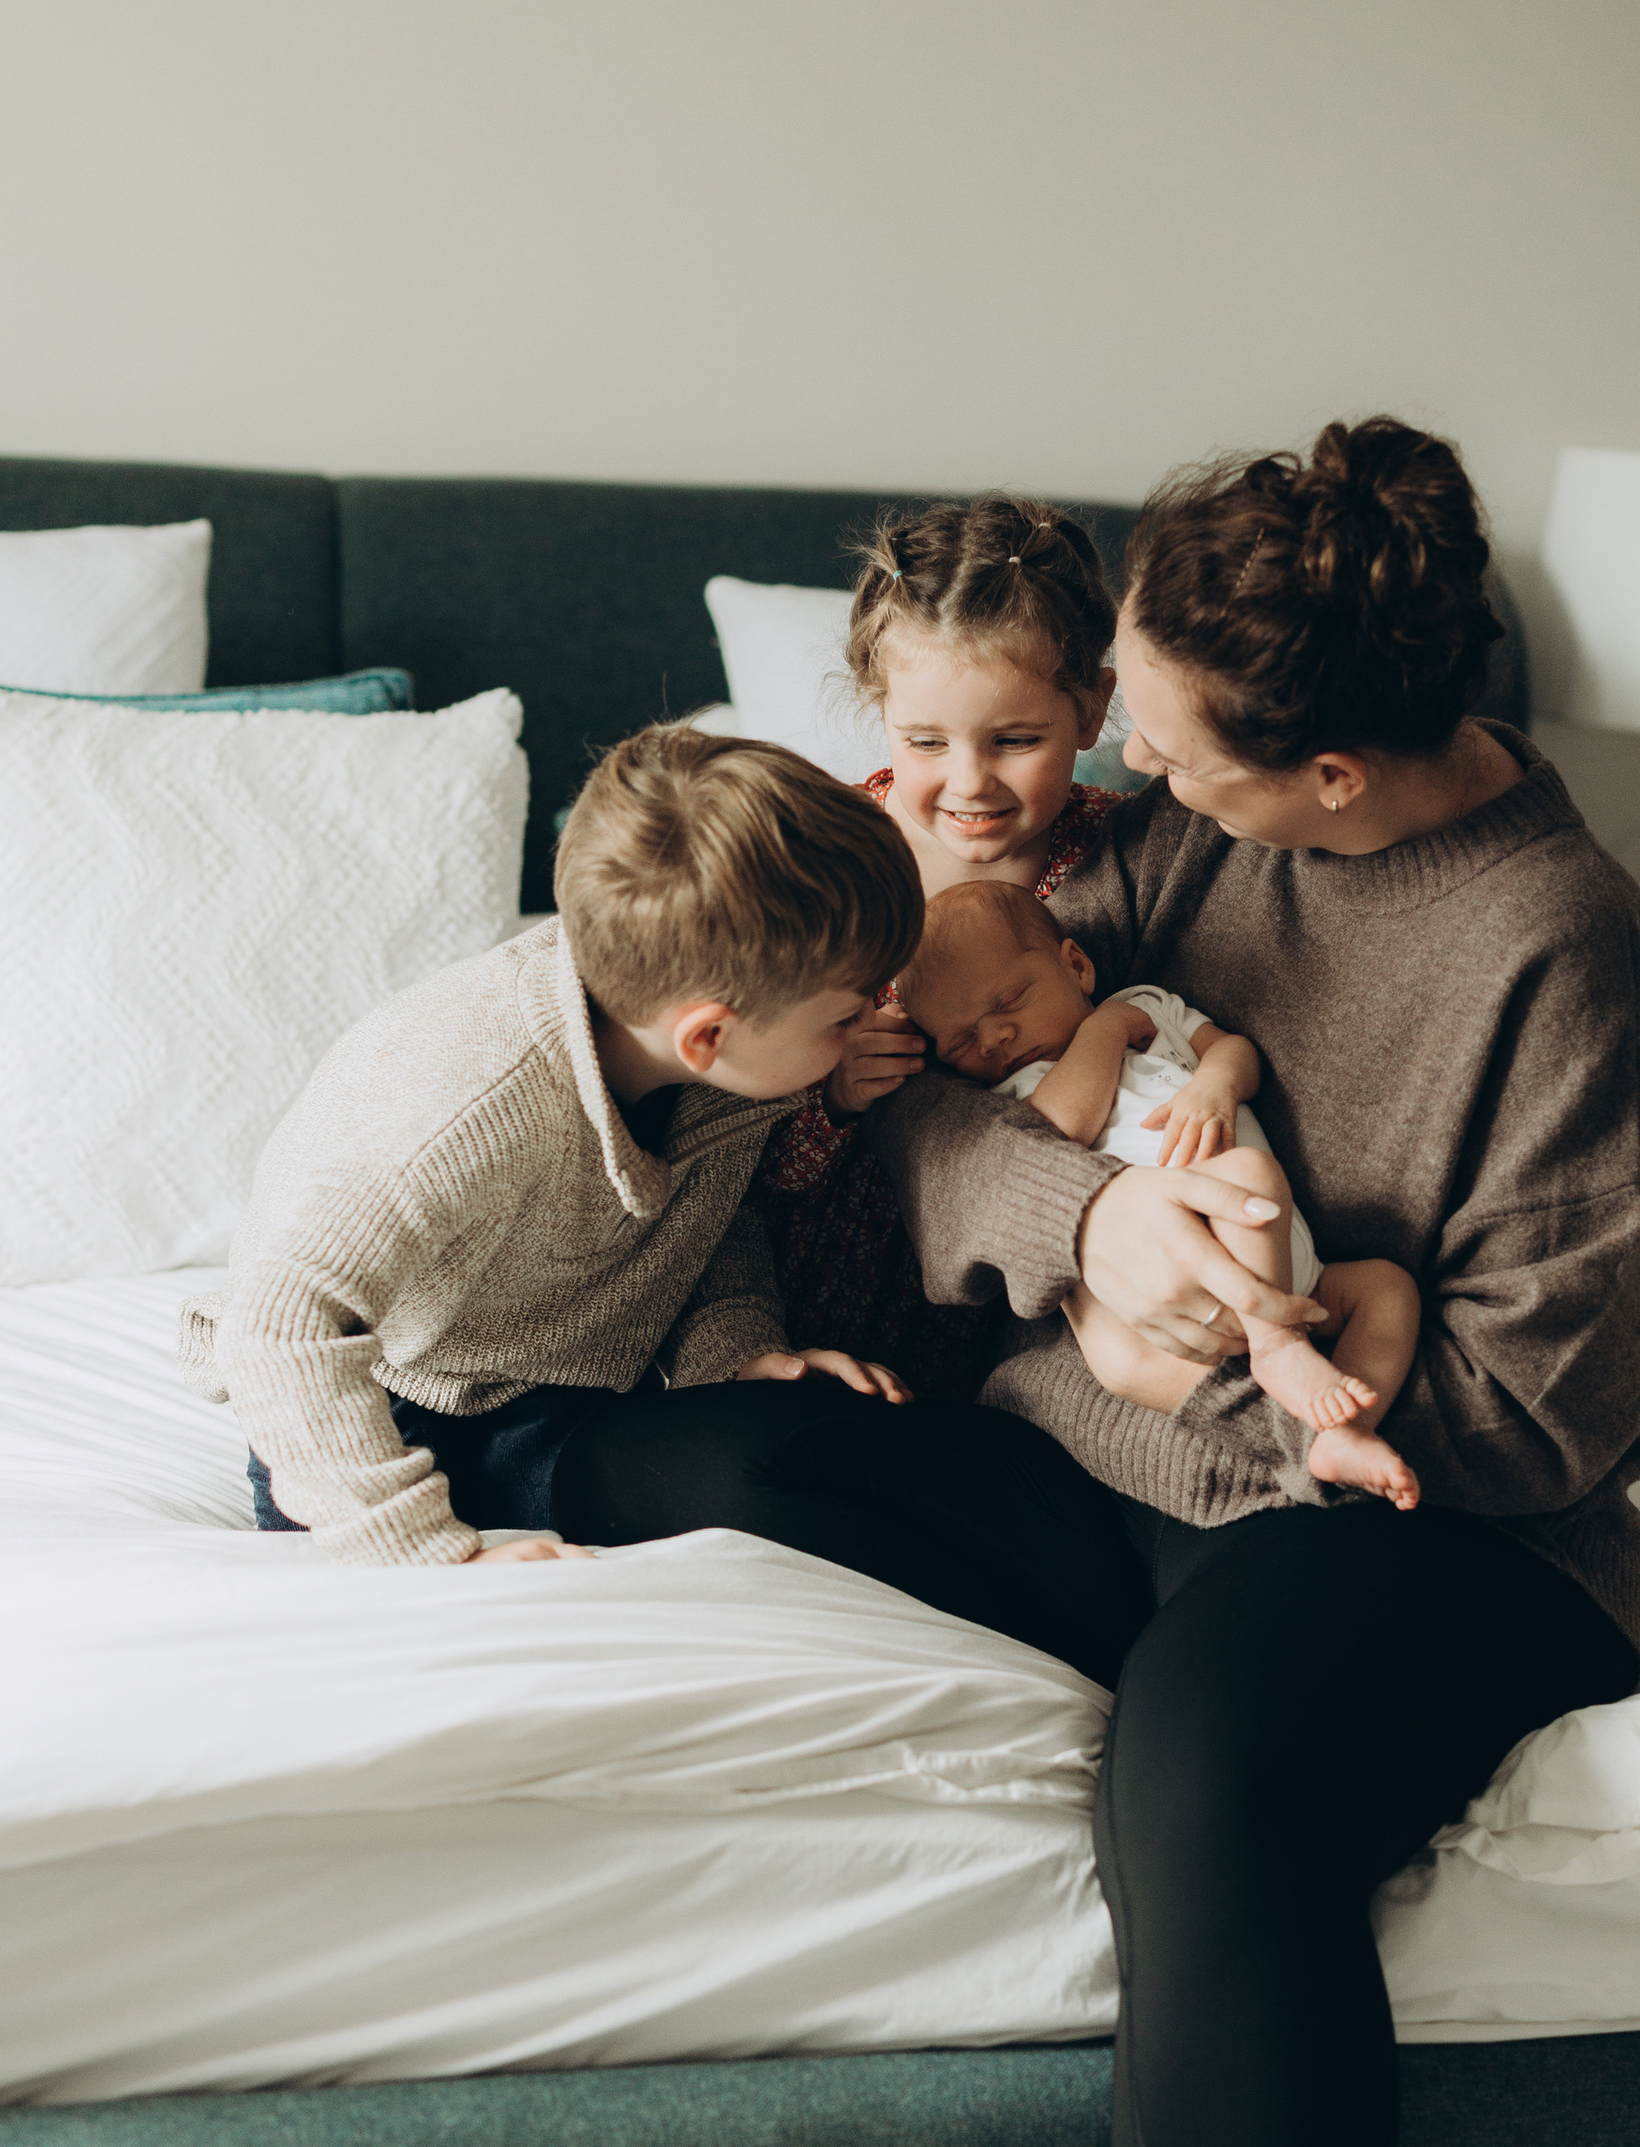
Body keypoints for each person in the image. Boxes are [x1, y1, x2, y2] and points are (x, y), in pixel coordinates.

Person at [866, 420, 1640, 2147]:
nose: (1097, 760)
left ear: (1327, 775)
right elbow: (923, 1105)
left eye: (1149, 730)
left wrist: (1239, 1368)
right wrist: (1090, 1218)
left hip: (1425, 1535)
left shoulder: (1556, 946)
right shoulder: (1157, 834)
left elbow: (1545, 1405)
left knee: (1205, 1776)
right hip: (1119, 1446)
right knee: (716, 1448)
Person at [180, 720, 1138, 1681]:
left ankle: (1132, 1623)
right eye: (848, 1015)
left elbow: (704, 1224)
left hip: (569, 1385)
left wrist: (735, 1352)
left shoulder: (716, 1054)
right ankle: (1083, 1660)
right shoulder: (462, 1097)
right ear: (708, 1036)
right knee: (768, 1484)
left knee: (886, 1441)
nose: (874, 1028)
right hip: (391, 1421)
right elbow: (279, 1325)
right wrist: (433, 1554)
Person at [758, 495, 1132, 1387]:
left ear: (1091, 711)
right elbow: (730, 1130)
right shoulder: (821, 862)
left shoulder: (1123, 864)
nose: (971, 782)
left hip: (1028, 1303)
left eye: (1015, 740)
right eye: (925, 739)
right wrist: (835, 1097)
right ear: (877, 708)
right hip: (811, 1289)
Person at [891, 878, 1421, 1499]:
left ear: (1077, 965)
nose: (993, 1039)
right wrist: (1106, 1030)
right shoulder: (1015, 1088)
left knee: (1387, 1288)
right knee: (1246, 1179)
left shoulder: (1153, 1006)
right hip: (1161, 1297)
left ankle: (1342, 1432)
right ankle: (1276, 1349)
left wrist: (1216, 1084)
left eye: (1010, 1001)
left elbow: (1233, 1051)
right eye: (959, 1041)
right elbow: (1061, 1126)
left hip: (1283, 1258)